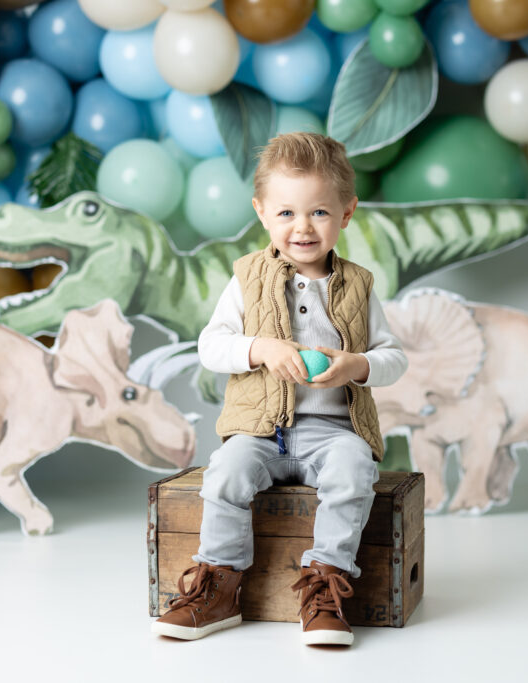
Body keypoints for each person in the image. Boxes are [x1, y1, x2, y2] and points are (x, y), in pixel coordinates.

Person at [151, 132, 408, 647]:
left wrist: (357, 364)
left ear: (346, 213)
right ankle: (219, 587)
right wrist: (260, 349)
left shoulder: (358, 285)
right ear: (262, 213)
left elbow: (394, 357)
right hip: (260, 431)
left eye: (319, 212)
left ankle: (325, 585)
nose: (303, 227)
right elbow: (210, 345)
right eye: (287, 213)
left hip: (332, 430)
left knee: (354, 470)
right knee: (225, 472)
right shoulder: (246, 277)